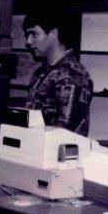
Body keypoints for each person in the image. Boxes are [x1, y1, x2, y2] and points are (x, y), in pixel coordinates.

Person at [22, 8, 93, 136]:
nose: (29, 41)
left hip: (58, 151)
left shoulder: (71, 74)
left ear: (53, 33)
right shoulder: (41, 72)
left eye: (34, 34)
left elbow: (66, 130)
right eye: (27, 36)